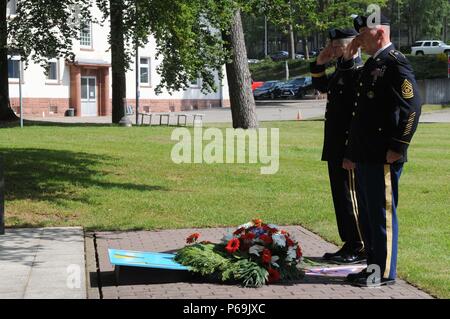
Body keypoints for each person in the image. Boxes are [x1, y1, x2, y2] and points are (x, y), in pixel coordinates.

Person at [343, 14, 422, 287]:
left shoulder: (396, 63)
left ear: (379, 34)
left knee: (381, 215)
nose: (359, 39)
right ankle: (372, 267)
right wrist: (352, 152)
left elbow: (412, 108)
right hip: (366, 154)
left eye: (363, 34)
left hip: (383, 154)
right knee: (367, 214)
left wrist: (399, 146)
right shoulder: (373, 64)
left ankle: (384, 272)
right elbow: (360, 113)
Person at [310, 28, 366, 264]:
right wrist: (319, 63)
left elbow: (359, 116)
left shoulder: (358, 71)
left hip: (347, 147)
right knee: (340, 197)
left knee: (350, 196)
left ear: (351, 46)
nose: (331, 50)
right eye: (331, 46)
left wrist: (352, 150)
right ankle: (349, 242)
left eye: (336, 47)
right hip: (334, 145)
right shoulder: (342, 70)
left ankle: (359, 244)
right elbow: (323, 88)